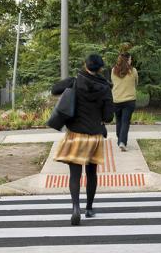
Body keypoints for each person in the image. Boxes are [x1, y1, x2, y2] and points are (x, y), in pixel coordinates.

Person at [51, 54, 114, 226]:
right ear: (100, 69)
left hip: (75, 135)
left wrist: (68, 83)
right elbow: (108, 117)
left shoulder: (74, 81)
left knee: (75, 174)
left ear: (85, 64)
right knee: (91, 173)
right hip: (94, 135)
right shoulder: (106, 88)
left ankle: (75, 208)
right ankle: (89, 208)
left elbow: (54, 89)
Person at [111, 52, 139, 151]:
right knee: (125, 122)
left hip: (116, 100)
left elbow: (113, 83)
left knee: (119, 121)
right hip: (129, 100)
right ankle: (122, 142)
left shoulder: (113, 70)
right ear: (127, 60)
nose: (131, 61)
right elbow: (136, 83)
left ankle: (120, 141)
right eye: (130, 59)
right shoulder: (133, 71)